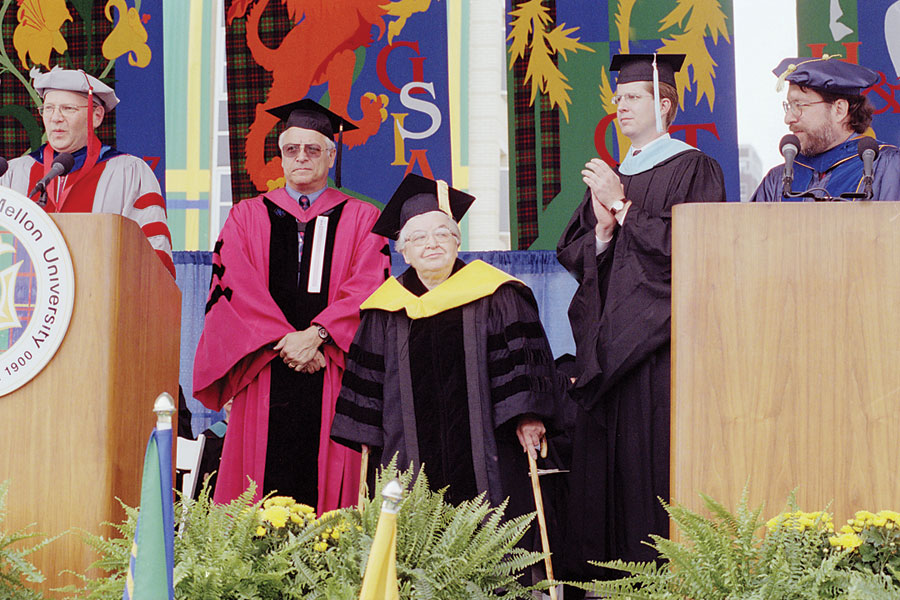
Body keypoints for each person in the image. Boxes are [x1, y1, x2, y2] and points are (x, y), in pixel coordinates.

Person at [556, 53, 726, 585]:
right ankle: (602, 585)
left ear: (665, 103)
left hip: (660, 351)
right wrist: (604, 229)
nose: (619, 106)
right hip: (609, 352)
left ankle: (659, 583)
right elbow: (577, 251)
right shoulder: (616, 173)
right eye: (617, 98)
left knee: (652, 466)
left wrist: (624, 208)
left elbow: (696, 251)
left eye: (632, 98)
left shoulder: (694, 167)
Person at [330, 173, 562, 540]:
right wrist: (366, 438)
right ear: (403, 250)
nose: (431, 244)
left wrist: (528, 416)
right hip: (404, 451)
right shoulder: (383, 310)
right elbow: (367, 391)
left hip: (490, 452)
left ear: (457, 241)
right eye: (418, 237)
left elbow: (521, 371)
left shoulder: (497, 294)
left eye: (442, 233)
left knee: (494, 541)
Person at [193, 98, 389, 512]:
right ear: (280, 156)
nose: (301, 157)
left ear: (331, 155)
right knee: (255, 499)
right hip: (266, 370)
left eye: (313, 149)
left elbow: (369, 288)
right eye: (291, 149)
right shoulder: (246, 216)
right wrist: (289, 342)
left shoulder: (362, 218)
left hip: (333, 372)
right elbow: (235, 288)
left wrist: (318, 336)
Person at [0, 67, 173, 276]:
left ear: (96, 116)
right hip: (27, 304)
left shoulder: (129, 174)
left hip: (101, 303)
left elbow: (154, 259)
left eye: (68, 108)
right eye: (48, 108)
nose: (55, 118)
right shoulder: (14, 174)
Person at [751, 56, 900, 202]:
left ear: (839, 110)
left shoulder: (886, 167)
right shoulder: (778, 181)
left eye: (800, 105)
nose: (788, 118)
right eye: (789, 106)